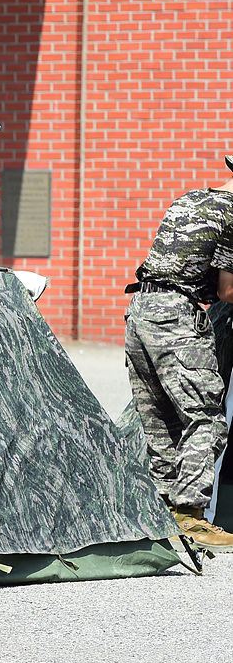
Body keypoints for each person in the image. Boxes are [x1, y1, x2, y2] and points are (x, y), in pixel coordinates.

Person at [123, 155, 233, 551]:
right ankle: (191, 516)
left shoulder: (191, 198)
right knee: (205, 418)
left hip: (139, 313)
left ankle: (165, 512)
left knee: (160, 419)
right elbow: (228, 292)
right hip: (176, 320)